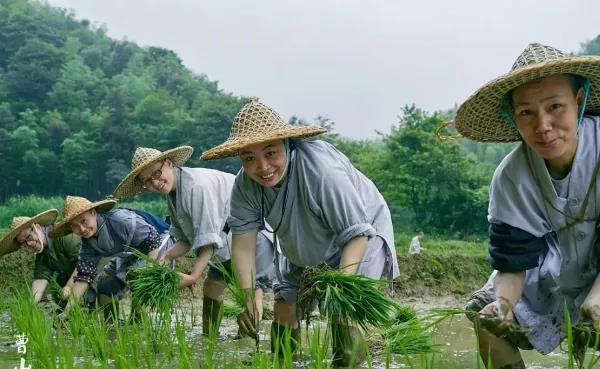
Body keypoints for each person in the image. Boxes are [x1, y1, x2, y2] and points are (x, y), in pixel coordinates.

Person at [449, 43, 600, 369]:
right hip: (555, 259)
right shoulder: (512, 175)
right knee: (485, 315)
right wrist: (503, 304)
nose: (543, 125)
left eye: (555, 107)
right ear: (513, 118)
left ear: (578, 101)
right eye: (526, 113)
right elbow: (514, 259)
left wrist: (597, 298)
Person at [200, 98, 400, 367]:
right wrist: (249, 299)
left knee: (343, 313)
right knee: (284, 307)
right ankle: (283, 362)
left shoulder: (321, 171)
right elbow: (243, 246)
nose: (263, 167)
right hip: (299, 239)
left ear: (287, 145)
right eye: (249, 158)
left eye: (270, 153)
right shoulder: (245, 186)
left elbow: (356, 233)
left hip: (360, 236)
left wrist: (340, 288)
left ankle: (350, 362)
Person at [112, 146, 277, 336]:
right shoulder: (174, 194)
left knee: (250, 291)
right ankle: (209, 338)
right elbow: (184, 239)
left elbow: (207, 240)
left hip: (254, 236)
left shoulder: (197, 186)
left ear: (168, 163)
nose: (155, 182)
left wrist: (192, 277)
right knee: (212, 288)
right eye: (147, 181)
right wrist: (166, 257)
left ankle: (250, 345)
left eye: (157, 173)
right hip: (227, 243)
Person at [50, 196, 172, 321]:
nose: (81, 229)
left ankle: (138, 320)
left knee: (137, 277)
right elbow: (83, 277)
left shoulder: (120, 220)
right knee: (105, 283)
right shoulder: (88, 244)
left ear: (93, 213)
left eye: (83, 221)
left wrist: (148, 271)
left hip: (158, 244)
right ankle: (112, 325)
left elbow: (153, 239)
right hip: (129, 253)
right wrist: (66, 313)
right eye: (74, 226)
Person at [0, 209, 81, 304]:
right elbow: (41, 278)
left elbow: (83, 263)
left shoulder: (64, 235)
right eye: (24, 243)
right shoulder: (42, 253)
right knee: (59, 293)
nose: (29, 243)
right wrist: (31, 305)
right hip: (78, 280)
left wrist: (68, 287)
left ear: (37, 227)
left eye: (29, 237)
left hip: (93, 273)